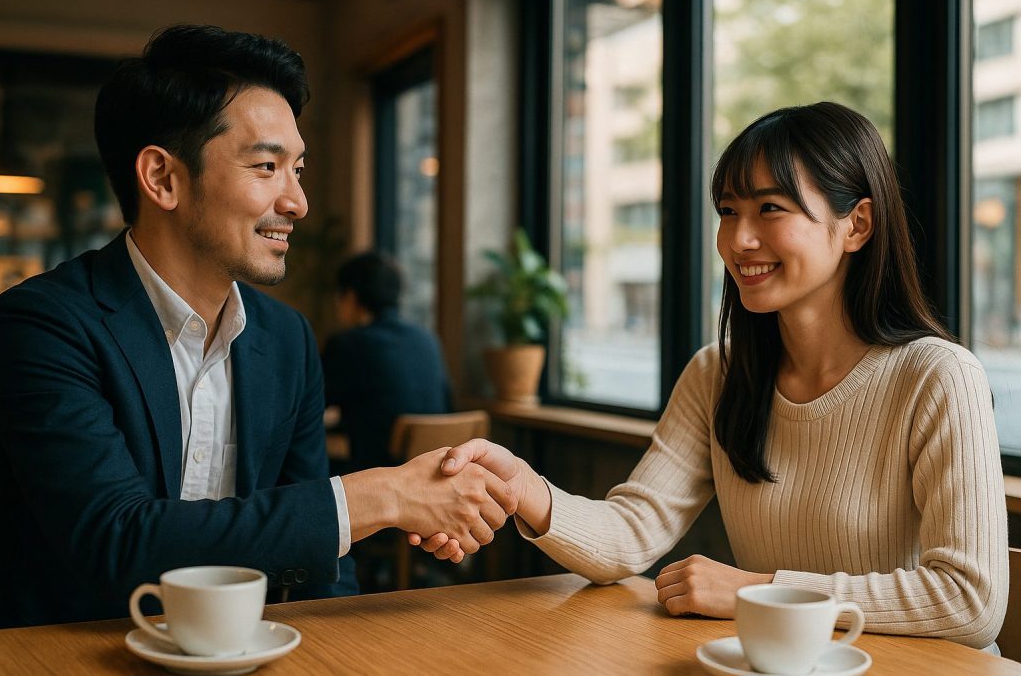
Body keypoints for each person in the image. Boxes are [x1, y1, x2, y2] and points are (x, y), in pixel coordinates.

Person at [427, 102, 1009, 651]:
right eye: (728, 212)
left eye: (770, 209)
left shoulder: (936, 376)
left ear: (857, 225)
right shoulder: (718, 374)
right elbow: (631, 532)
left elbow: (969, 600)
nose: (737, 240)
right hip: (784, 663)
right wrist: (526, 488)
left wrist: (759, 590)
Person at [0, 25, 514, 629]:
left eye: (298, 169)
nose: (297, 202)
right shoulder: (40, 326)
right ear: (163, 178)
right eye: (266, 166)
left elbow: (328, 565)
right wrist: (383, 495)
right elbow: (117, 539)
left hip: (248, 652)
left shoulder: (286, 339)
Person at [322, 252, 451, 473]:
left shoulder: (348, 344)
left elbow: (311, 406)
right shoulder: (427, 339)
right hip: (435, 472)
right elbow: (447, 402)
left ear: (350, 296)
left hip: (378, 478)